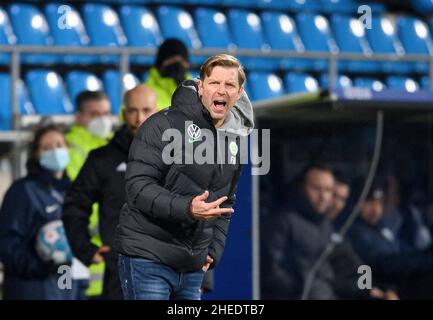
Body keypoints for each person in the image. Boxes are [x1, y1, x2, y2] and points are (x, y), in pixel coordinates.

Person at [114, 54, 254, 300]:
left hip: (191, 267)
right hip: (148, 257)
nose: (221, 90)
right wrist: (187, 208)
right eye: (214, 83)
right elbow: (138, 187)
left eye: (229, 85)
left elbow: (226, 202)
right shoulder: (161, 126)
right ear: (201, 87)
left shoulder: (235, 141)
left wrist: (212, 251)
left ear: (239, 91)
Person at [62, 85, 158, 300]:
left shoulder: (177, 158)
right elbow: (74, 205)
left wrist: (201, 275)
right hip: (118, 275)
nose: (139, 117)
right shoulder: (103, 159)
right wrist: (85, 249)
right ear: (124, 114)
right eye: (133, 111)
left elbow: (198, 213)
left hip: (168, 271)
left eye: (146, 110)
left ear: (158, 112)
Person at [0, 124, 76, 299]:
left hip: (64, 287)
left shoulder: (71, 191)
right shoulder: (23, 191)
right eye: (46, 148)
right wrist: (38, 267)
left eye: (59, 145)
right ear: (36, 154)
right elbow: (7, 242)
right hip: (31, 288)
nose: (55, 151)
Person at [262, 165, 337, 299]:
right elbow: (271, 270)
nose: (323, 196)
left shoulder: (326, 225)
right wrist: (302, 287)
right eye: (316, 188)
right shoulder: (283, 221)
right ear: (302, 188)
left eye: (328, 190)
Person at [349, 181, 433, 299]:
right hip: (384, 287)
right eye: (369, 202)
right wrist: (427, 261)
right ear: (356, 204)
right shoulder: (356, 232)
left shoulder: (381, 227)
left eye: (378, 202)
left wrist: (426, 254)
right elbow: (385, 265)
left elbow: (404, 250)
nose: (375, 208)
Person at [65, 90, 113, 298]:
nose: (102, 120)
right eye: (95, 114)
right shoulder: (68, 149)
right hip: (81, 253)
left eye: (106, 113)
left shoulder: (116, 148)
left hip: (110, 258)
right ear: (79, 117)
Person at [145, 38, 191, 110]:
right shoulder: (144, 93)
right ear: (160, 65)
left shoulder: (199, 92)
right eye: (172, 61)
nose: (177, 67)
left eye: (182, 61)